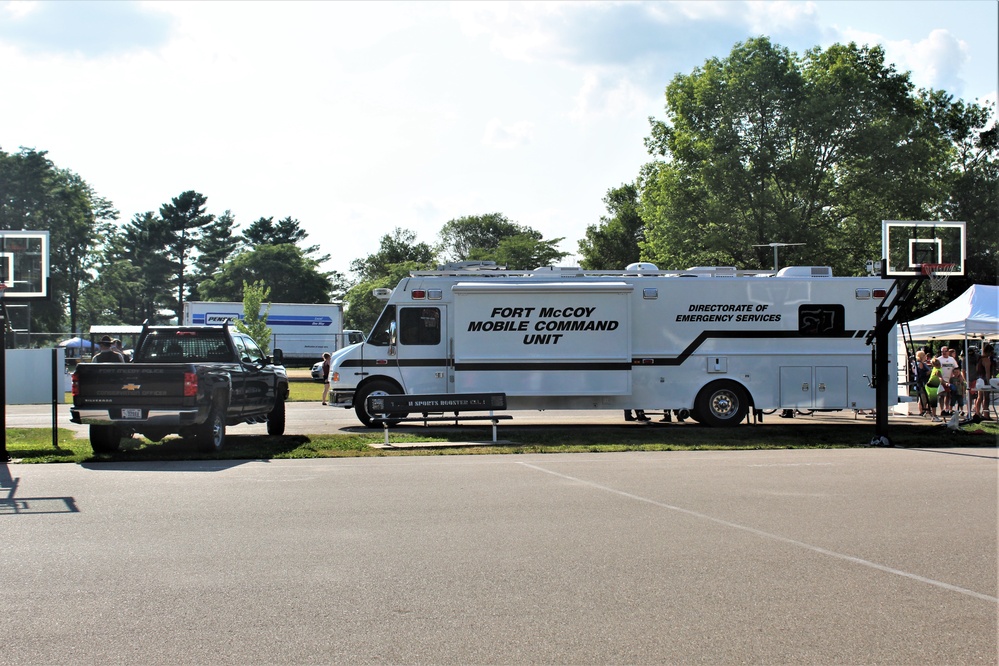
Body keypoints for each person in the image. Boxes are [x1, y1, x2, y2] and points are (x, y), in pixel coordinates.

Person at [973, 343, 996, 420]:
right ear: (989, 352)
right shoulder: (986, 360)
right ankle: (986, 414)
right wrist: (989, 382)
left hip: (979, 379)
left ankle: (977, 412)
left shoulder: (979, 359)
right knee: (986, 398)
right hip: (984, 380)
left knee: (979, 397)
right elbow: (988, 372)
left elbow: (976, 370)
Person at [938, 346, 958, 416]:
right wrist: (941, 379)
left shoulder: (952, 359)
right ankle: (942, 410)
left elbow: (956, 368)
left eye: (945, 351)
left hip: (949, 380)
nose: (944, 353)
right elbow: (936, 371)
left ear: (948, 352)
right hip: (941, 380)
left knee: (948, 395)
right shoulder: (939, 359)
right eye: (942, 351)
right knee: (941, 395)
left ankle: (947, 409)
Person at [925, 357, 943, 422]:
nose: (939, 365)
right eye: (937, 364)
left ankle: (928, 412)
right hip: (931, 387)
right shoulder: (937, 370)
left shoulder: (936, 368)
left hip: (933, 386)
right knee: (934, 402)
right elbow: (940, 378)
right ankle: (934, 416)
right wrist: (947, 384)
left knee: (931, 401)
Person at [912, 350, 930, 416]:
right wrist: (927, 373)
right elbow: (920, 374)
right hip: (922, 383)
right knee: (923, 397)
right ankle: (922, 411)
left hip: (919, 382)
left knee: (922, 397)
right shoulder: (920, 364)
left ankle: (922, 410)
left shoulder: (916, 363)